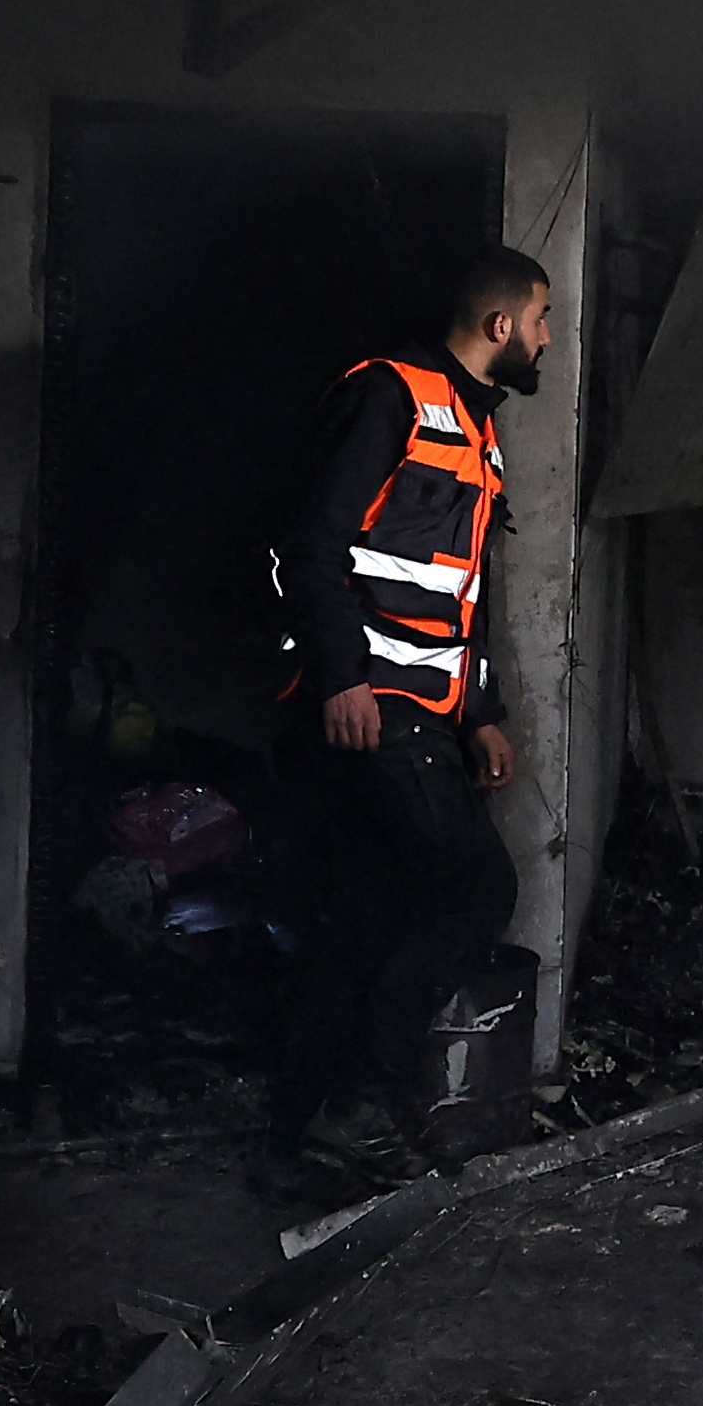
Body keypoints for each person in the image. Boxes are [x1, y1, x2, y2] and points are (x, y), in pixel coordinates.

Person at [267, 246, 550, 1180]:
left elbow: (456, 593)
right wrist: (340, 676)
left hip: (426, 707)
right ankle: (364, 1101)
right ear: (500, 324)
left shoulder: (478, 427)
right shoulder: (391, 395)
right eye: (542, 318)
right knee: (476, 892)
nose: (548, 337)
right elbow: (308, 544)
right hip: (371, 706)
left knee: (364, 918)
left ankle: (296, 1139)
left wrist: (481, 712)